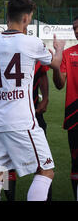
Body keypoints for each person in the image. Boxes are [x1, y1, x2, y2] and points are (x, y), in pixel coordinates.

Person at [0, 0, 64, 201]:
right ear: (25, 18)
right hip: (23, 122)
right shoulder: (31, 42)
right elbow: (56, 64)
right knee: (46, 170)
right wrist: (59, 48)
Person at [4, 60, 51, 201]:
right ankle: (9, 198)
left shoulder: (33, 48)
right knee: (6, 166)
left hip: (31, 116)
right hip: (11, 118)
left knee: (43, 164)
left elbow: (42, 74)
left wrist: (46, 98)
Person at [52, 15, 78, 201]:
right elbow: (60, 84)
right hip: (75, 115)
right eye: (74, 28)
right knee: (76, 163)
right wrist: (55, 63)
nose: (76, 31)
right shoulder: (69, 54)